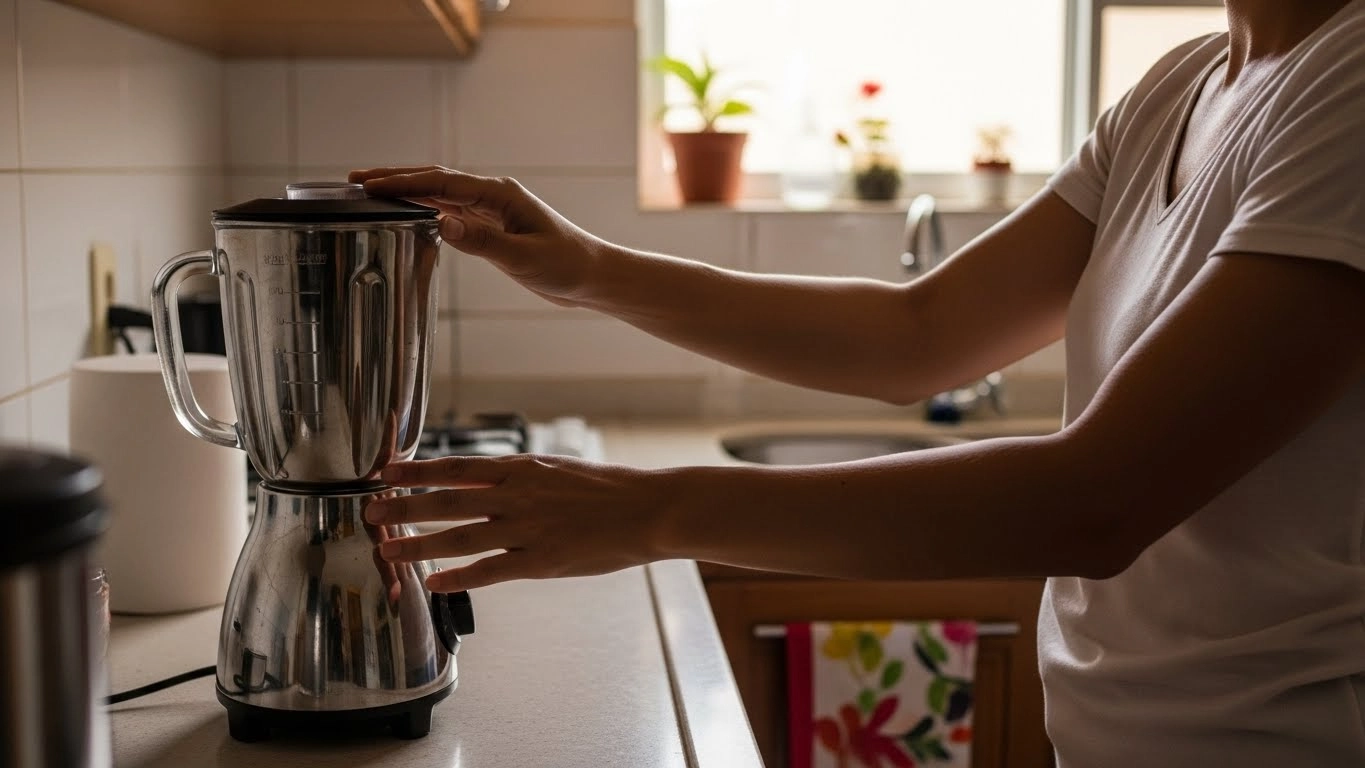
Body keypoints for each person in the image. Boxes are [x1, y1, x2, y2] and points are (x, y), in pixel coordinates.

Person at [352, 0, 1365, 764]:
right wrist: (586, 270)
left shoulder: (1349, 81)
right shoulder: (1179, 88)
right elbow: (916, 337)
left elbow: (1097, 500)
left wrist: (649, 513)